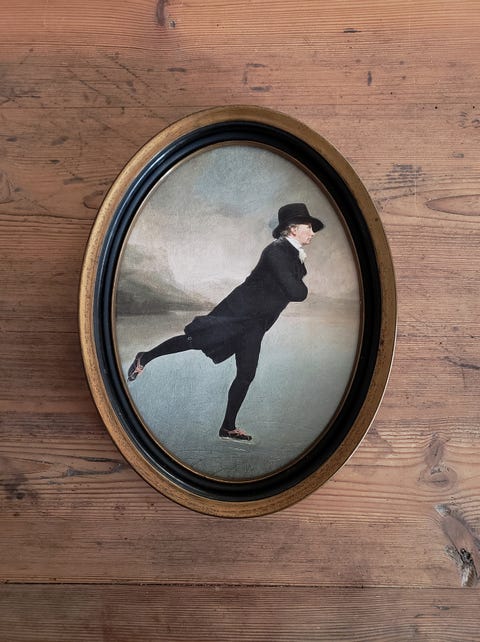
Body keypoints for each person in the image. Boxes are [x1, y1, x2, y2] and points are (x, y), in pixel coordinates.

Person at [127, 203, 324, 441]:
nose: (312, 232)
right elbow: (297, 292)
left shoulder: (293, 256)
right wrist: (297, 288)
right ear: (293, 229)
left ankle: (228, 427)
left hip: (255, 323)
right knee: (193, 341)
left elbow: (294, 289)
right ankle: (144, 357)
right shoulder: (276, 251)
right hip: (236, 314)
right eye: (308, 227)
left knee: (246, 374)